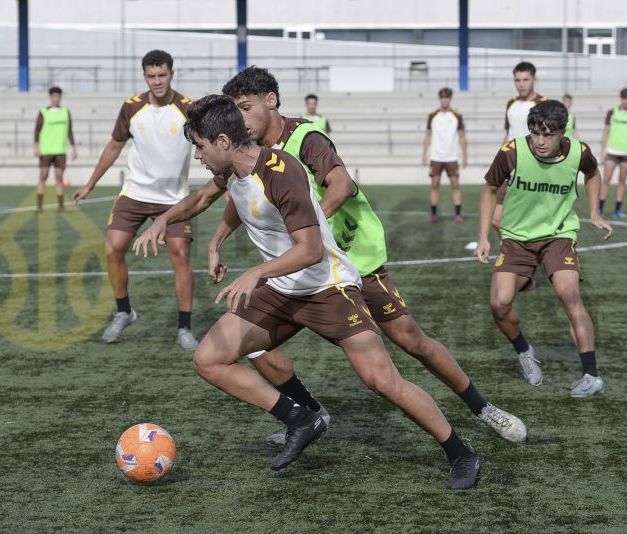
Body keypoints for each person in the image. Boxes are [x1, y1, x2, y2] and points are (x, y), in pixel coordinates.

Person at [133, 94, 483, 489]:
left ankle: (461, 453)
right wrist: (167, 219)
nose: (196, 155)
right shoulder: (235, 170)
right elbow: (213, 198)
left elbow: (311, 249)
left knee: (383, 381)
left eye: (199, 145)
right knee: (209, 359)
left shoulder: (282, 172)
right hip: (283, 289)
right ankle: (301, 418)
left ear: (224, 142)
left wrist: (256, 273)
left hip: (329, 288)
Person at [218, 66, 525, 446]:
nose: (240, 119)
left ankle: (482, 407)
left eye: (245, 108)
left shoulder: (306, 137)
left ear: (271, 100)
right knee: (255, 344)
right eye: (235, 111)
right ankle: (310, 415)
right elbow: (223, 195)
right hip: (305, 273)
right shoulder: (248, 154)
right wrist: (185, 226)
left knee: (413, 342)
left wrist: (312, 230)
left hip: (352, 261)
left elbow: (342, 184)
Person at [475, 99, 615, 397]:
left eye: (548, 135)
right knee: (499, 304)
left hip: (558, 235)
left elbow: (593, 174)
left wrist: (594, 212)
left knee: (569, 294)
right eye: (536, 133)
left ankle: (591, 375)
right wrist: (484, 235)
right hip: (516, 238)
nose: (540, 141)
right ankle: (525, 351)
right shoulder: (512, 152)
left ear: (563, 132)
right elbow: (488, 190)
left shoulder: (579, 152)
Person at [71, 50, 199, 348]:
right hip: (135, 193)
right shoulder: (131, 107)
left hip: (174, 198)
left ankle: (184, 328)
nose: (157, 81)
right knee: (113, 248)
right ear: (145, 76)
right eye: (152, 76)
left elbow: (207, 144)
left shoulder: (188, 109)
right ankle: (124, 311)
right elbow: (114, 146)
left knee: (180, 256)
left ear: (171, 74)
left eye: (162, 75)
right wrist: (90, 184)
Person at [493, 62, 548, 231]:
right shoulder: (511, 103)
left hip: (533, 170)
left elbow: (549, 138)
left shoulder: (544, 104)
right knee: (496, 220)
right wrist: (500, 160)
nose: (521, 84)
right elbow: (508, 133)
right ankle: (512, 255)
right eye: (517, 80)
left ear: (534, 80)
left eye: (525, 79)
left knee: (531, 224)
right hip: (509, 167)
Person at [422, 87, 467, 223]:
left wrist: (465, 155)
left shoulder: (457, 115)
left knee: (455, 184)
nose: (445, 99)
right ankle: (434, 213)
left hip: (452, 156)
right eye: (442, 97)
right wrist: (424, 153)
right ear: (440, 98)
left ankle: (458, 214)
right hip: (436, 156)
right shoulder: (432, 115)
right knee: (435, 184)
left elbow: (462, 136)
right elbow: (428, 135)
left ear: (450, 98)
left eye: (447, 97)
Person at [599, 88, 627, 218]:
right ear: (620, 98)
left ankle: (617, 209)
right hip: (612, 151)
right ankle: (600, 209)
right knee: (606, 179)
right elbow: (606, 131)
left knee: (622, 181)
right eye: (623, 98)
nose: (625, 100)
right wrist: (602, 151)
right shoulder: (612, 112)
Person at [34, 86, 76, 212]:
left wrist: (73, 147)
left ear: (60, 97)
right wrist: (36, 146)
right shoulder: (43, 111)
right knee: (43, 176)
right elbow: (37, 130)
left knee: (59, 177)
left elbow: (69, 131)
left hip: (60, 150)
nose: (56, 98)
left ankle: (61, 206)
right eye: (54, 96)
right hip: (46, 150)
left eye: (58, 96)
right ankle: (39, 206)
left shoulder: (65, 112)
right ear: (50, 97)